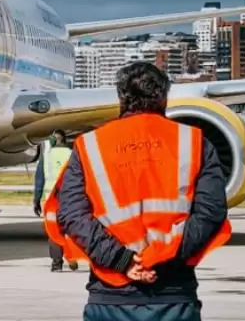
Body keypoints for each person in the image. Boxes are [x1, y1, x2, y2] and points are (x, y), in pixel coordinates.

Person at [44, 61, 230, 321]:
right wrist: (163, 259)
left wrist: (124, 262)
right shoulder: (195, 141)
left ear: (121, 97)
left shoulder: (89, 146)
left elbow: (72, 215)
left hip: (110, 295)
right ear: (164, 97)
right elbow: (211, 212)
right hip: (173, 293)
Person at [33, 129, 79, 272]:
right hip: (70, 199)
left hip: (50, 201)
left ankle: (56, 264)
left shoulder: (46, 156)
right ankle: (72, 258)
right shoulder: (73, 155)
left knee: (54, 233)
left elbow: (39, 179)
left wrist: (36, 199)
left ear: (53, 140)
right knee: (71, 231)